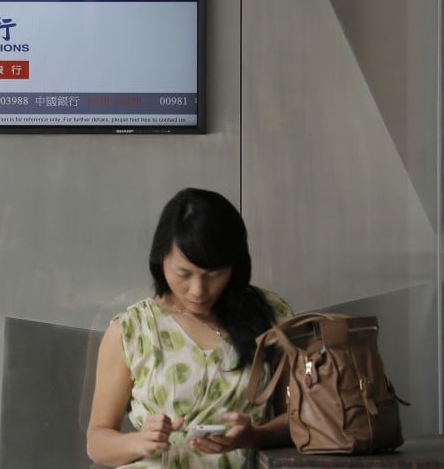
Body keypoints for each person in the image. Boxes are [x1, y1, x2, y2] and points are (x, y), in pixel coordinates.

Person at [87, 188, 293, 469]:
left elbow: (299, 419)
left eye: (213, 275)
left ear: (234, 265)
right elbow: (97, 441)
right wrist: (140, 441)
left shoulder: (271, 316)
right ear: (161, 260)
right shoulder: (133, 330)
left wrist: (254, 436)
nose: (198, 290)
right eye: (183, 273)